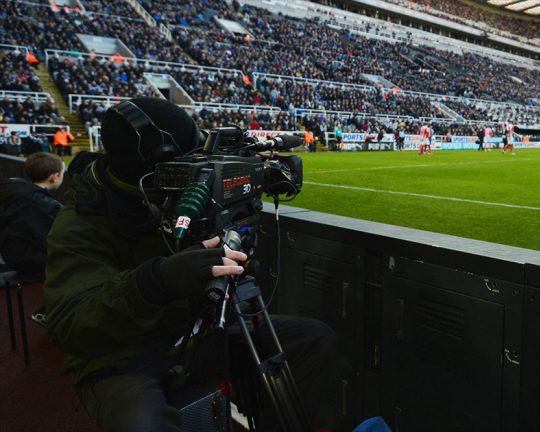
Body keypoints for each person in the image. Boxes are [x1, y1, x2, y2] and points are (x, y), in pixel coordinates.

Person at [43, 97, 337, 432]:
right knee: (143, 425)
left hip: (197, 331)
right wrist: (155, 281)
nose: (199, 164)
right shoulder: (80, 221)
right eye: (189, 159)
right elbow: (71, 324)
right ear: (160, 167)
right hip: (123, 354)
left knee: (312, 339)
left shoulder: (181, 192)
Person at [0, 152, 65, 279]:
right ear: (54, 177)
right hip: (29, 262)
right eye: (62, 173)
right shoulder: (43, 205)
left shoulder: (14, 191)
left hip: (11, 254)